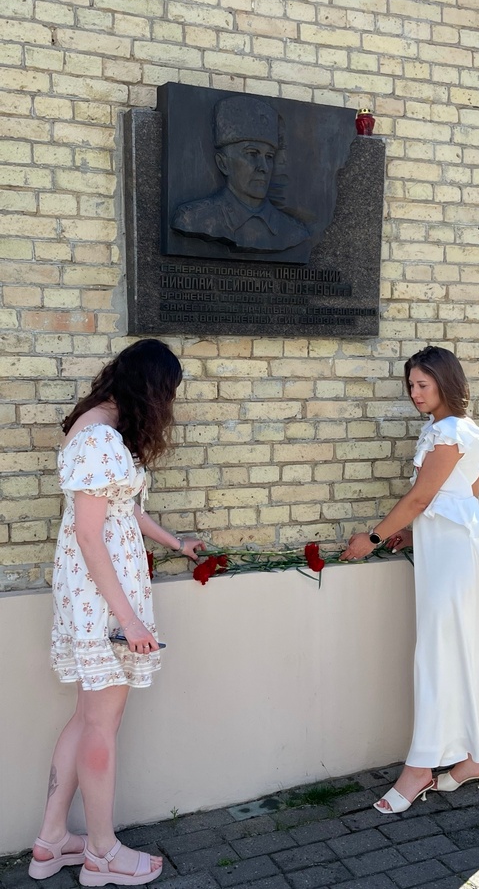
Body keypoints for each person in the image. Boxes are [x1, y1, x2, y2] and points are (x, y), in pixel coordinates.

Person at [29, 339, 205, 885]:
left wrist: (175, 543)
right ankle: (102, 854)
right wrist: (127, 620)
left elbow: (123, 510)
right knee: (102, 723)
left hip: (99, 595)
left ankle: (50, 842)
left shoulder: (97, 428)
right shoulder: (100, 438)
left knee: (87, 717)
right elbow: (89, 536)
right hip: (103, 600)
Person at [341, 345, 479, 814]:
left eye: (422, 384)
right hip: (453, 554)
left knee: (438, 655)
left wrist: (373, 537)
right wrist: (416, 535)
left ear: (444, 383)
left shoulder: (449, 431)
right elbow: (461, 499)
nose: (414, 393)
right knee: (455, 651)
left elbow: (421, 498)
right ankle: (475, 757)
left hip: (456, 561)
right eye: (411, 385)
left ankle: (419, 769)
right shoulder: (450, 429)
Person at [171, 95, 310, 253]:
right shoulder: (192, 220)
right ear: (223, 164)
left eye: (269, 157)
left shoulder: (293, 232)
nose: (264, 167)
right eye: (252, 154)